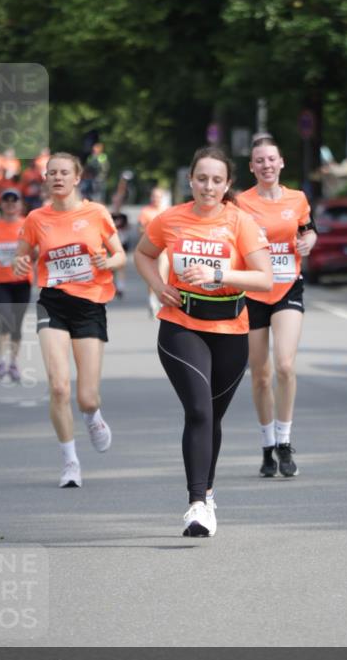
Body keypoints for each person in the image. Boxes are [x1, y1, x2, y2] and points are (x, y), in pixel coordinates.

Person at [134, 146, 271, 537]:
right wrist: (159, 286)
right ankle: (196, 505)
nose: (208, 186)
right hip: (182, 324)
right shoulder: (171, 218)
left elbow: (264, 279)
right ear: (190, 180)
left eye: (216, 180)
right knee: (197, 411)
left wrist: (220, 272)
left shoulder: (239, 222)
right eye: (201, 179)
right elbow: (143, 254)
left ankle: (207, 495)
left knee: (213, 417)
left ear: (227, 184)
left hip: (230, 329)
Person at [13, 152, 126, 488]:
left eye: (64, 172)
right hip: (53, 304)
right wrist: (20, 265)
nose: (57, 178)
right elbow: (22, 257)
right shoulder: (36, 218)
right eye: (52, 173)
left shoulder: (96, 213)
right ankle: (70, 462)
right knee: (59, 386)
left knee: (86, 397)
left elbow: (120, 255)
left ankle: (92, 416)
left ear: (77, 178)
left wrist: (107, 263)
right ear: (46, 180)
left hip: (90, 304)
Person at [236, 133, 317, 478]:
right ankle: (267, 444)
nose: (267, 165)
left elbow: (308, 229)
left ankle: (284, 442)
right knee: (260, 375)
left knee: (284, 365)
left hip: (287, 287)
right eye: (260, 161)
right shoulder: (239, 203)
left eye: (272, 159)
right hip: (252, 292)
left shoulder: (297, 198)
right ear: (251, 167)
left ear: (281, 162)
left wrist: (310, 240)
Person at [0, 188, 32, 383]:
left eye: (15, 200)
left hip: (22, 281)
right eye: (7, 200)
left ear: (21, 204)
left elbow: (36, 250)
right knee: (5, 319)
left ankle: (13, 362)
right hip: (0, 282)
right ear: (1, 204)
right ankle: (1, 361)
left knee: (17, 325)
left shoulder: (28, 225)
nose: (11, 204)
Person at [138, 186, 170, 317]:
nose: (156, 199)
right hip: (151, 248)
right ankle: (152, 300)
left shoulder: (167, 211)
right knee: (152, 277)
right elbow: (140, 230)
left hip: (165, 249)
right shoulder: (146, 212)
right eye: (154, 196)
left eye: (159, 196)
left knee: (162, 275)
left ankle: (161, 301)